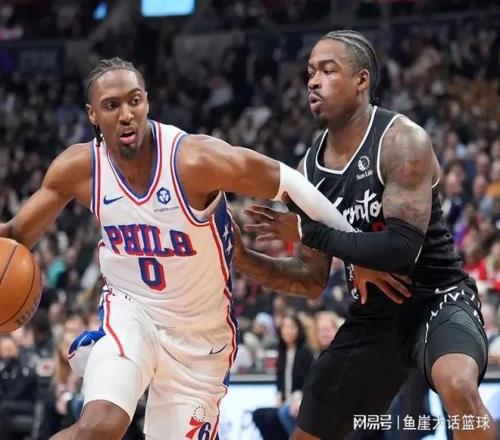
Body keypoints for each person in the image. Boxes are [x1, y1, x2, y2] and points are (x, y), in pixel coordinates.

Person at [0, 57, 404, 440]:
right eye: (111, 105)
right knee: (99, 427)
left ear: (147, 102)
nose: (126, 114)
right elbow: (15, 234)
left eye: (134, 101)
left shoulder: (194, 160)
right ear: (93, 115)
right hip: (131, 312)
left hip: (200, 339)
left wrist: (357, 254)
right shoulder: (79, 168)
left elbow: (290, 182)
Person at [234, 30, 494, 439]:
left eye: (327, 70)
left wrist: (307, 231)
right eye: (310, 72)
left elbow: (401, 249)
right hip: (373, 316)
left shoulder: (401, 139)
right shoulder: (309, 171)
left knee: (458, 385)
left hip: (437, 297)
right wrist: (243, 258)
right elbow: (310, 280)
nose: (313, 81)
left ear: (361, 80)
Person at [253, 314, 314, 439]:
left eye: (292, 327)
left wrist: (298, 399)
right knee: (259, 415)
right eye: (285, 327)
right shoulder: (281, 352)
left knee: (284, 412)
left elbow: (308, 381)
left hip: (301, 403)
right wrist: (279, 396)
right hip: (285, 402)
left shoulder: (305, 352)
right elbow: (280, 382)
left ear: (298, 330)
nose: (288, 331)